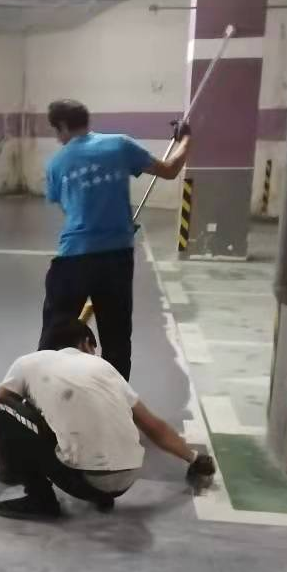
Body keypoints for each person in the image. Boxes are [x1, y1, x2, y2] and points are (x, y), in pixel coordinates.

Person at [0, 316, 215, 521]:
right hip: (126, 478)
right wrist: (194, 458)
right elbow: (153, 426)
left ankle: (41, 499)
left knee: (0, 409)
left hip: (83, 481)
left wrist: (9, 469)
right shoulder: (104, 368)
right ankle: (100, 493)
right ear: (86, 343)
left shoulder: (28, 362)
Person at [40, 99, 192, 380]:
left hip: (73, 259)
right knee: (117, 339)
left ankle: (43, 390)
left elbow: (71, 210)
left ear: (62, 126)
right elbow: (170, 170)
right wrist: (185, 139)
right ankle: (115, 397)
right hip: (116, 258)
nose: (57, 138)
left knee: (53, 335)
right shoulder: (120, 145)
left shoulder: (56, 164)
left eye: (56, 131)